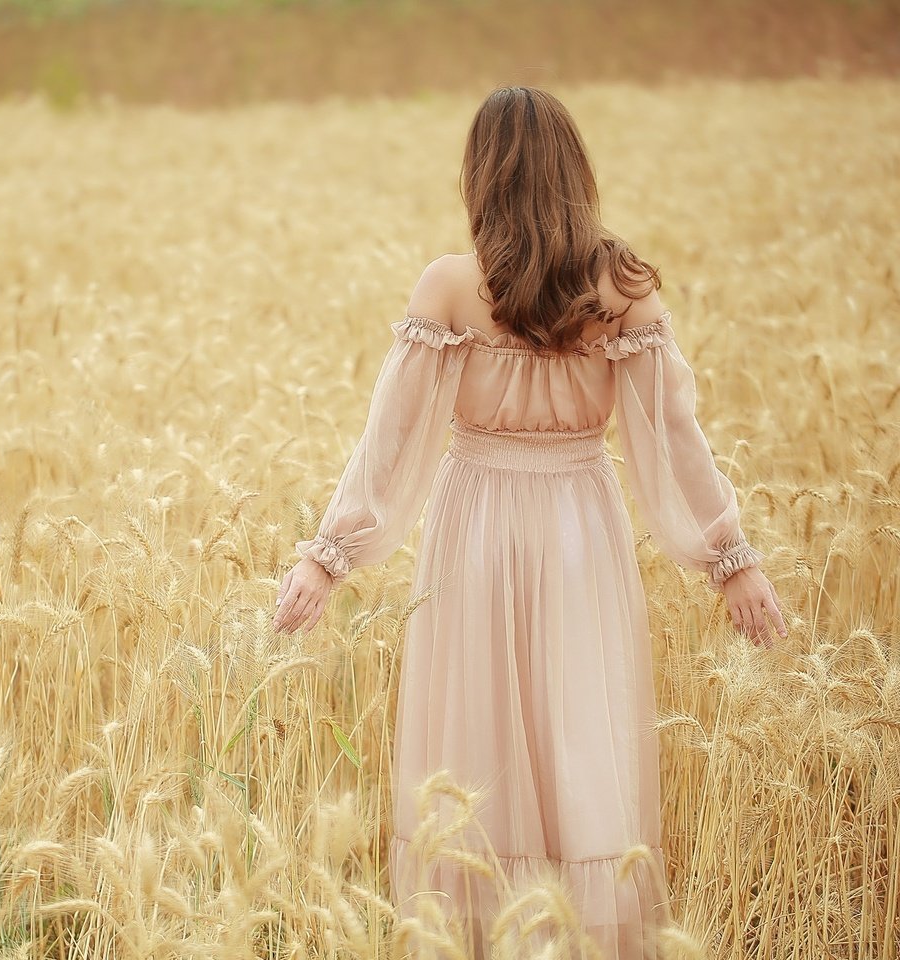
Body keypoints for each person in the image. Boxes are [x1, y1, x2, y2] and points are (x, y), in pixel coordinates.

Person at [271, 85, 788, 958]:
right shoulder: (621, 286)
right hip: (581, 530)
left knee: (473, 754)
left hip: (472, 530)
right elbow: (676, 442)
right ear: (573, 175)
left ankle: (478, 938)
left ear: (484, 177)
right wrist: (729, 559)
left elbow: (389, 444)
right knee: (582, 742)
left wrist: (328, 557)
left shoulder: (451, 285)